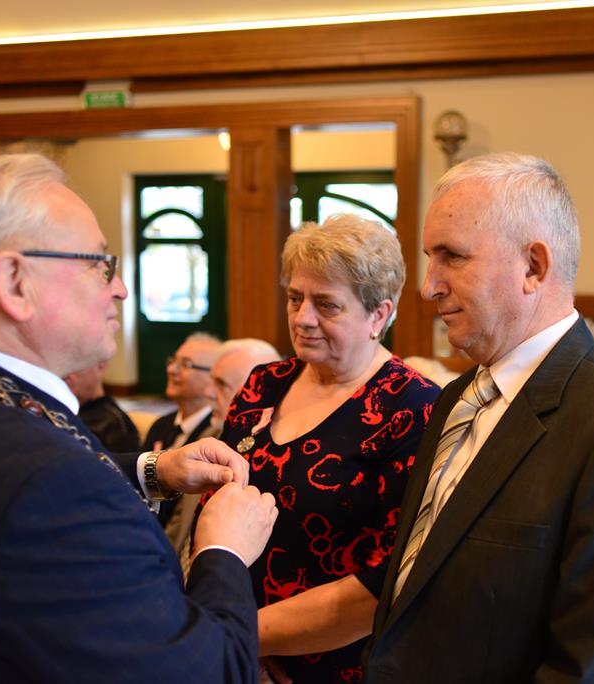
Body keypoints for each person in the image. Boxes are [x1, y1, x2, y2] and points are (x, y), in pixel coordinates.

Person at [0, 153, 278, 682]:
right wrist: (223, 551)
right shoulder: (53, 489)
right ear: (14, 281)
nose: (119, 288)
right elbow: (205, 673)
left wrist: (153, 470)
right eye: (99, 263)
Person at [363, 153, 594, 683]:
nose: (429, 286)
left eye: (452, 257)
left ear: (533, 267)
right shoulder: (457, 399)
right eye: (431, 258)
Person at [205, 214, 441, 683]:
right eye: (295, 298)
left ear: (379, 315)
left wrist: (245, 638)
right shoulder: (262, 385)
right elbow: (214, 510)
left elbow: (385, 580)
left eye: (327, 305)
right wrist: (223, 637)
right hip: (227, 650)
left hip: (333, 667)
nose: (302, 318)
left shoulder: (413, 407)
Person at [165, 337, 282, 563]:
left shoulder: (271, 464)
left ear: (258, 396)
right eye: (211, 381)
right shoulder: (209, 439)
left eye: (220, 384)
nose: (208, 393)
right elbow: (178, 529)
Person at [144, 331, 222, 525]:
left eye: (186, 364)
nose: (171, 369)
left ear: (213, 377)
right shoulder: (161, 425)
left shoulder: (216, 433)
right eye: (173, 361)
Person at [63, 359, 141, 452]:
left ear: (101, 365)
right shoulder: (58, 410)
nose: (67, 376)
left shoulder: (114, 423)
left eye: (76, 368)